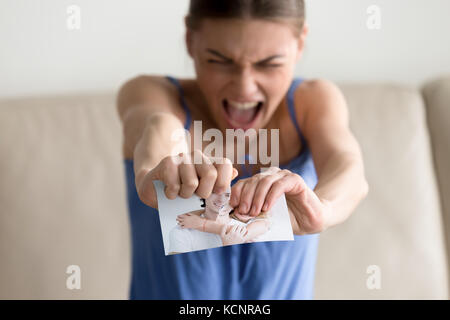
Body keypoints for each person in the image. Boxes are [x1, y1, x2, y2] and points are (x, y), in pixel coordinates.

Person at [118, 0, 369, 299]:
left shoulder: (311, 103)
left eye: (270, 63)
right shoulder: (152, 93)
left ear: (300, 43)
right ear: (190, 40)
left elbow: (347, 165)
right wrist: (155, 170)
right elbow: (159, 126)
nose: (244, 89)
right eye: (219, 61)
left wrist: (322, 210)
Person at [170, 188, 272, 254]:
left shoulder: (259, 228)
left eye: (227, 195)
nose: (221, 199)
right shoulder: (181, 231)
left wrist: (202, 223)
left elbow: (239, 232)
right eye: (215, 192)